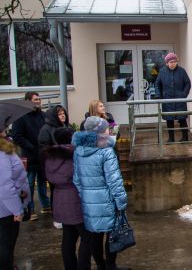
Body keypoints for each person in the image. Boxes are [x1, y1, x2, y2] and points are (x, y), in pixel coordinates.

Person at [73, 116, 129, 270]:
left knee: (95, 235)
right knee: (112, 234)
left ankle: (100, 265)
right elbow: (114, 180)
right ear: (99, 131)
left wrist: (85, 195)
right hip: (107, 201)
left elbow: (76, 179)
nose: (108, 130)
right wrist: (122, 201)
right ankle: (111, 265)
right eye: (105, 128)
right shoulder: (106, 151)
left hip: (88, 202)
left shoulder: (78, 150)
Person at [44, 127, 96, 270]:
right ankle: (83, 266)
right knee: (87, 237)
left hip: (59, 198)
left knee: (68, 237)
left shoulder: (51, 156)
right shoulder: (73, 155)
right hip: (75, 198)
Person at [10, 91, 50, 220]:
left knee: (43, 181)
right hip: (29, 156)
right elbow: (17, 136)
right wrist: (31, 147)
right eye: (35, 99)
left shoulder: (43, 116)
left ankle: (45, 205)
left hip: (42, 155)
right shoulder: (21, 117)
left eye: (39, 99)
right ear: (27, 101)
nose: (38, 101)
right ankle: (30, 208)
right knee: (30, 183)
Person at [0, 128, 30, 270]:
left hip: (6, 206)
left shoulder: (6, 149)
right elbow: (4, 186)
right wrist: (17, 209)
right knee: (6, 244)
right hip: (6, 210)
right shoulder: (2, 153)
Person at [38, 105, 71, 229]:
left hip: (66, 164)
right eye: (59, 114)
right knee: (55, 192)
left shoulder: (65, 127)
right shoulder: (46, 129)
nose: (63, 115)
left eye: (64, 113)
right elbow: (43, 149)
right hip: (54, 166)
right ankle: (57, 216)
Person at [155, 53, 192, 143]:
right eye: (171, 62)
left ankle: (185, 138)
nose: (173, 63)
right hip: (167, 100)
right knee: (169, 120)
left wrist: (184, 94)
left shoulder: (181, 71)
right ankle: (171, 139)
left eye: (175, 61)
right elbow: (157, 84)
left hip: (180, 99)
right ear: (167, 63)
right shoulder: (162, 71)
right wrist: (159, 95)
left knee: (182, 119)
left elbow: (188, 83)